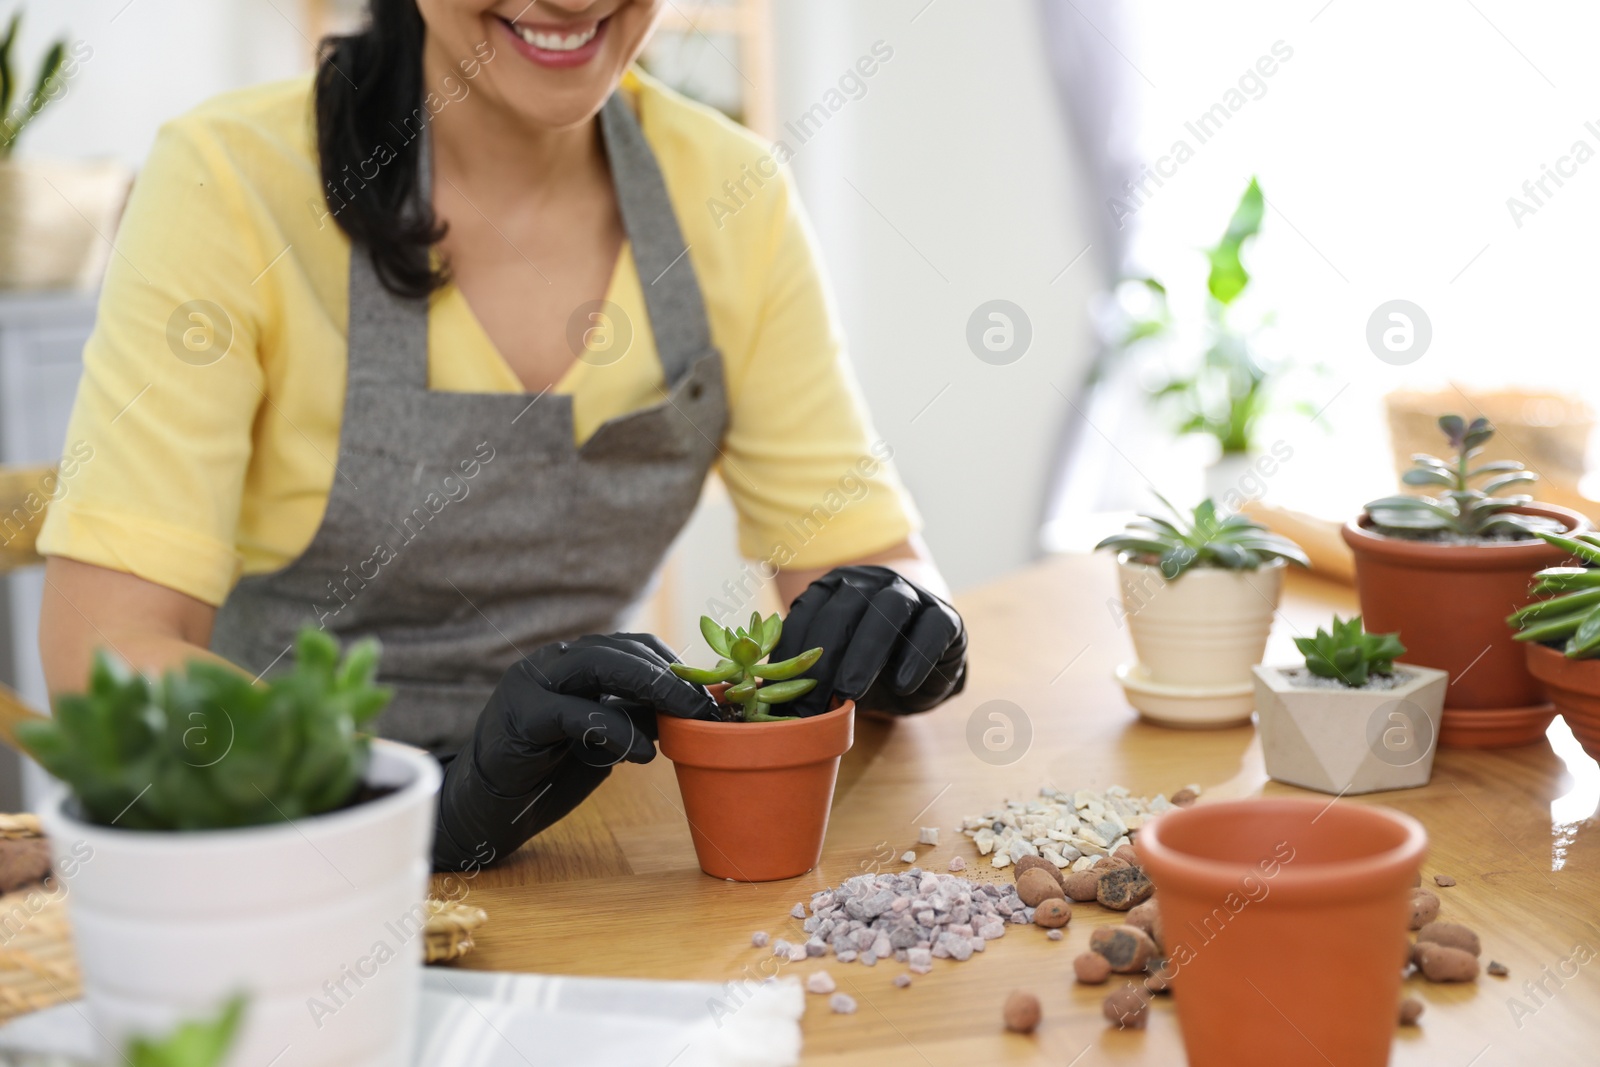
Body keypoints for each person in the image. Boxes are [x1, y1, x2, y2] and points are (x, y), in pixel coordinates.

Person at [35, 0, 967, 870]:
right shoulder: (229, 179)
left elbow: (869, 559)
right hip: (272, 844)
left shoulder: (731, 195)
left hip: (578, 851)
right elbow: (105, 656)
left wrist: (911, 619)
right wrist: (408, 798)